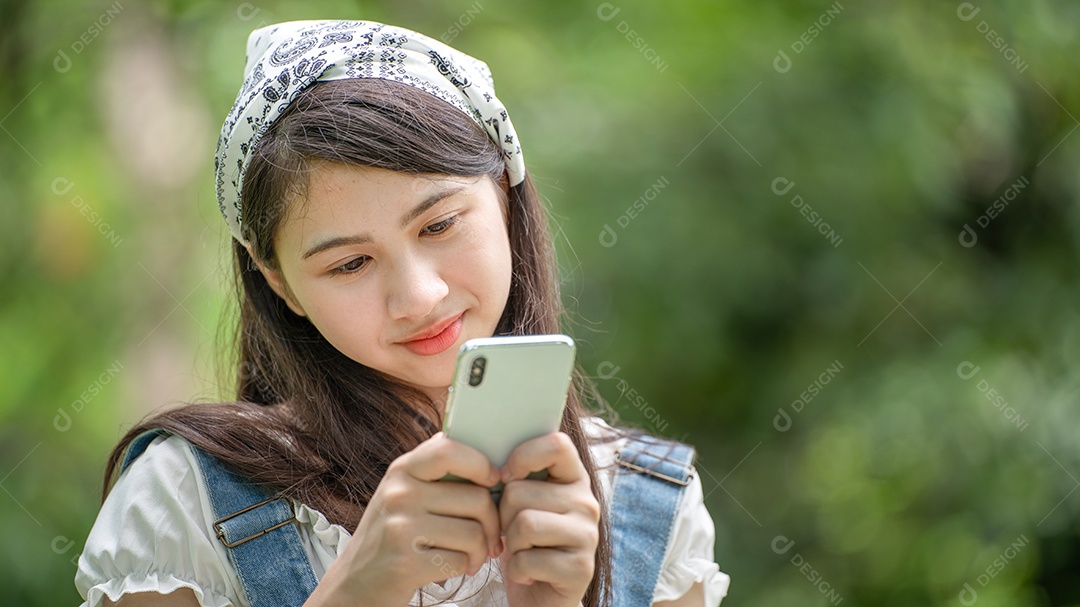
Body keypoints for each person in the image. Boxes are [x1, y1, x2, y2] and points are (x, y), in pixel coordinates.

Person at [74, 19, 730, 607]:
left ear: (503, 192)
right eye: (350, 264)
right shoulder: (181, 505)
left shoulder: (651, 509)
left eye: (439, 224)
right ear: (282, 286)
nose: (418, 296)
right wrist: (355, 591)